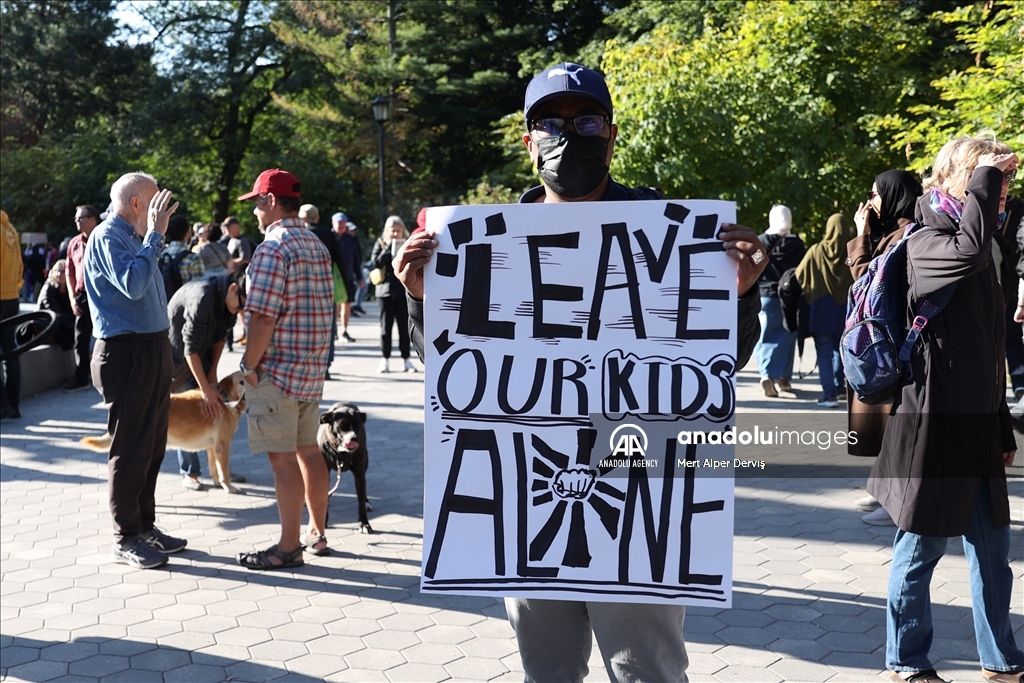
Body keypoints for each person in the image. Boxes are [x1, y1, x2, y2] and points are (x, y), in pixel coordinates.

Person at [393, 62, 767, 683]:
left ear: (612, 134)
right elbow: (453, 374)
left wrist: (740, 295)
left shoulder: (669, 234)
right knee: (548, 672)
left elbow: (712, 375)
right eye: (552, 124)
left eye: (586, 120)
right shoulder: (480, 247)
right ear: (528, 140)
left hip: (639, 488)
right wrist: (420, 297)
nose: (571, 136)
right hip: (525, 495)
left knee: (644, 670)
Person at [867, 137, 1023, 683]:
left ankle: (1000, 658)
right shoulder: (926, 240)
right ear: (957, 178)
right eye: (990, 181)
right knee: (921, 548)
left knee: (992, 554)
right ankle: (906, 659)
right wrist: (984, 176)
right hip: (932, 427)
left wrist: (1002, 425)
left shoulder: (984, 241)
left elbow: (989, 350)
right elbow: (969, 251)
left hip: (977, 427)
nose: (1002, 192)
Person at [84, 171, 186, 570]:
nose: (162, 207)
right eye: (156, 201)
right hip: (125, 353)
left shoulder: (133, 236)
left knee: (152, 445)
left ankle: (145, 527)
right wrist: (156, 235)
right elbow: (133, 284)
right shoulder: (109, 235)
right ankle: (126, 537)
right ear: (137, 204)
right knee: (129, 449)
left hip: (151, 348)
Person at [235, 168, 334, 570]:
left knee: (282, 459)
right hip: (311, 369)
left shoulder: (273, 247)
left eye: (257, 202)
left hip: (276, 372)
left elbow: (262, 318)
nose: (255, 212)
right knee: (309, 451)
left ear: (271, 201)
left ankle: (289, 546)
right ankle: (318, 532)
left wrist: (247, 365)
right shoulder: (316, 243)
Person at [846, 169, 924, 526]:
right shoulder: (895, 231)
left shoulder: (906, 234)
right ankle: (886, 495)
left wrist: (861, 235)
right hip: (889, 342)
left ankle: (896, 502)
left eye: (875, 195)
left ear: (893, 196)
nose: (870, 203)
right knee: (891, 424)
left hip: (896, 344)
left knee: (897, 425)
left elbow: (866, 280)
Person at [168, 273, 246, 490]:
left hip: (200, 352)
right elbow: (189, 348)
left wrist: (212, 375)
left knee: (212, 411)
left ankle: (220, 473)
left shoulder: (228, 302)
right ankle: (190, 473)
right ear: (233, 289)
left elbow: (220, 338)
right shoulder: (202, 298)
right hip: (176, 358)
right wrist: (205, 389)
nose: (240, 311)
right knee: (186, 412)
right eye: (240, 304)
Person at [796, 214, 854, 408]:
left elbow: (799, 275)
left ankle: (829, 395)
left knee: (824, 351)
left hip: (821, 308)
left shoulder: (816, 251)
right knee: (841, 350)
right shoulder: (852, 251)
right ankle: (840, 388)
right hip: (845, 310)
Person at [754, 204, 806, 397]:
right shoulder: (797, 245)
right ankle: (784, 378)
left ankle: (767, 374)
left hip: (765, 295)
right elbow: (801, 271)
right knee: (789, 335)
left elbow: (756, 266)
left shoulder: (760, 242)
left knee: (764, 336)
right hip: (789, 298)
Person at [299, 203, 346, 379]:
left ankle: (307, 365)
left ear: (301, 218)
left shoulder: (298, 235)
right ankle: (325, 365)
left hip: (302, 288)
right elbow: (339, 260)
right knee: (327, 327)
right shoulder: (328, 234)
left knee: (304, 328)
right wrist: (348, 284)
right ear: (317, 217)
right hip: (326, 286)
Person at [369, 215, 414, 373]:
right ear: (387, 231)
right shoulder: (380, 243)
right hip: (384, 292)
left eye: (398, 230)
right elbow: (375, 263)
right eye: (392, 231)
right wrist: (388, 248)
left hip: (403, 292)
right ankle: (385, 359)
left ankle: (406, 360)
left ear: (403, 231)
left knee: (404, 328)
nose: (395, 234)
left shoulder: (408, 244)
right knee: (385, 329)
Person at [63, 205, 101, 392]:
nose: (77, 221)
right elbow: (69, 271)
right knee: (81, 337)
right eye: (76, 218)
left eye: (81, 218)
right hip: (82, 295)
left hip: (103, 295)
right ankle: (81, 378)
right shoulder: (74, 243)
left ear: (93, 219)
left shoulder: (104, 237)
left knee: (107, 335)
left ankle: (106, 375)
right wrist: (72, 298)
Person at [1, 210, 23, 420]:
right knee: (10, 352)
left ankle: (3, 405)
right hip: (11, 297)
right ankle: (13, 406)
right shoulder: (10, 228)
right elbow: (19, 265)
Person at [332, 211, 363, 339]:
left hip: (348, 276)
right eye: (339, 223)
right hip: (333, 277)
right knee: (335, 304)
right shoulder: (329, 237)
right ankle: (333, 330)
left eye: (344, 223)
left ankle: (344, 331)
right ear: (333, 223)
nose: (342, 225)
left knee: (347, 303)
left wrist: (360, 276)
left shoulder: (350, 238)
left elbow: (356, 258)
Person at [36, 259, 75, 350]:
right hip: (45, 322)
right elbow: (54, 312)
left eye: (63, 272)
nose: (59, 274)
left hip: (61, 320)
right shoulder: (49, 288)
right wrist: (73, 318)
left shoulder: (69, 290)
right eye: (57, 271)